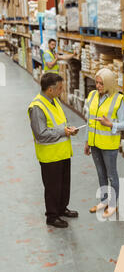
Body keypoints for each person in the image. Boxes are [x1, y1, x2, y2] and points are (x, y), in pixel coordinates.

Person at [28, 72, 79, 228]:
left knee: (64, 185)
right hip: (50, 156)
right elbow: (41, 134)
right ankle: (52, 216)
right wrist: (63, 132)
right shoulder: (37, 107)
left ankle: (62, 209)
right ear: (50, 89)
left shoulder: (54, 101)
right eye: (60, 88)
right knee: (52, 188)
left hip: (62, 152)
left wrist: (68, 129)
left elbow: (58, 123)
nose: (62, 91)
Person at [84, 68, 124, 218]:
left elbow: (123, 124)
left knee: (111, 175)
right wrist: (87, 141)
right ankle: (103, 200)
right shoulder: (92, 96)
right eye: (96, 83)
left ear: (108, 83)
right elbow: (89, 121)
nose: (98, 86)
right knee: (100, 174)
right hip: (95, 143)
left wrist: (110, 124)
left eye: (101, 83)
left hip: (109, 145)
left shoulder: (118, 99)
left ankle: (113, 204)